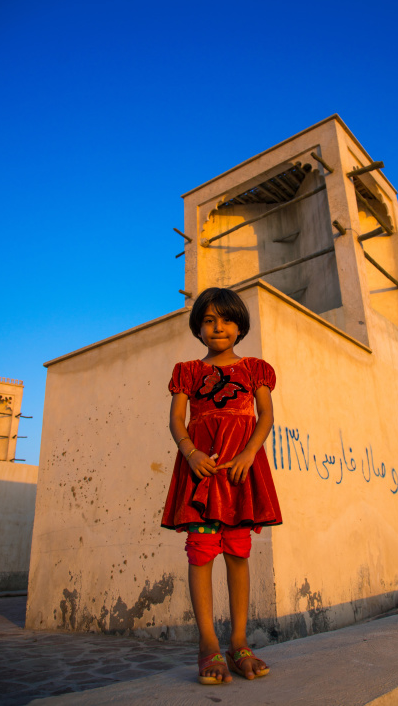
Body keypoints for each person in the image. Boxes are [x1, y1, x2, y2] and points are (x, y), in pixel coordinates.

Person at [161, 287, 282, 685]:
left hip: (239, 471)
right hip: (203, 472)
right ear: (198, 328)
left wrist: (249, 454)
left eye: (227, 320)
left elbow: (265, 416)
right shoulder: (188, 372)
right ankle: (207, 645)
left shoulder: (255, 369)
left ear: (240, 327)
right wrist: (191, 452)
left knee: (237, 551)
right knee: (200, 552)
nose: (218, 327)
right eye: (209, 320)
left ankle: (239, 642)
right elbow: (177, 420)